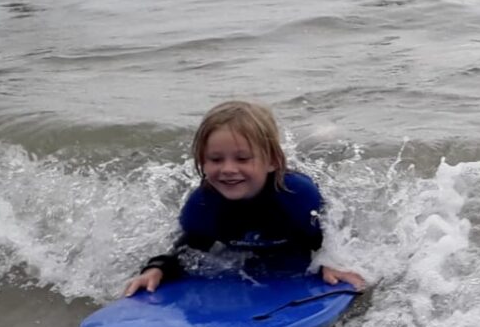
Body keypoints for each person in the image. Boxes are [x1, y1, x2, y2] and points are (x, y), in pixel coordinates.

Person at [122, 101, 367, 296]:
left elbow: (332, 233)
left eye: (242, 158)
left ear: (271, 161)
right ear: (202, 162)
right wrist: (158, 269)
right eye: (216, 159)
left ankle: (320, 137)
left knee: (318, 156)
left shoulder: (297, 196)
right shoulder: (203, 203)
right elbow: (188, 249)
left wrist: (331, 262)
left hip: (295, 226)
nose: (228, 169)